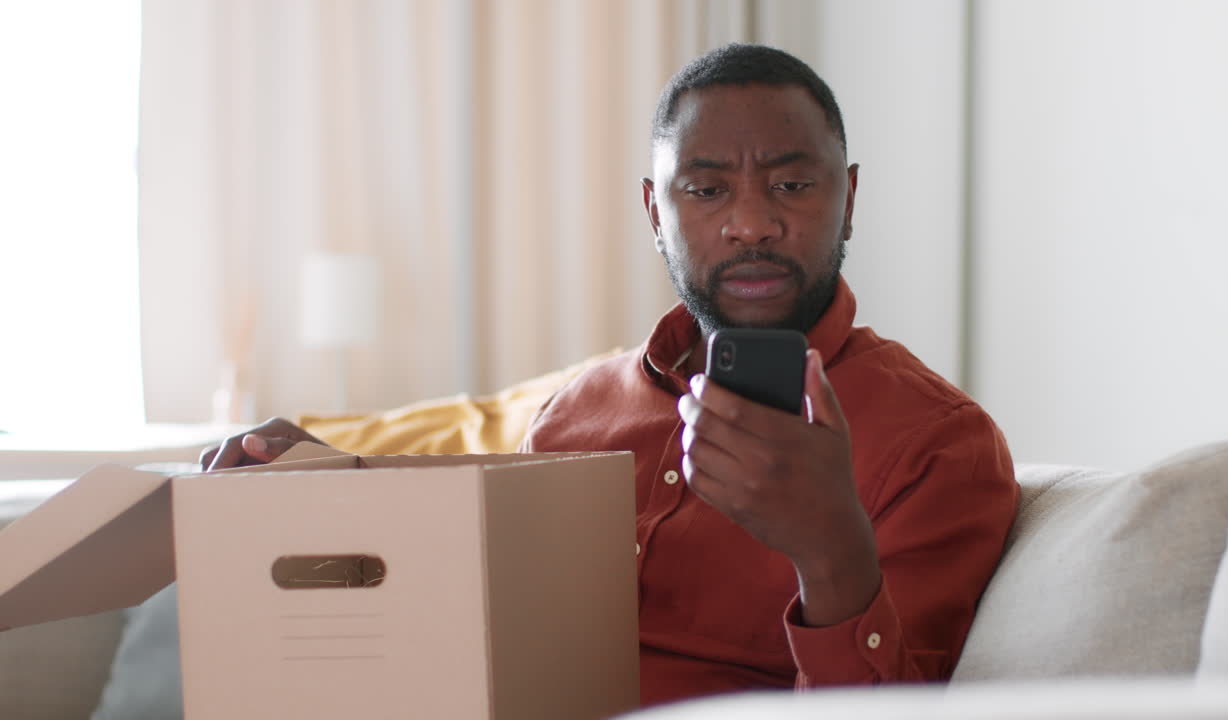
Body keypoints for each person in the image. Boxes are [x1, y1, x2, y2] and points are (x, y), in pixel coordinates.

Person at [205, 44, 1018, 708]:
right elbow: (470, 622)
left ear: (847, 200)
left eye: (793, 184)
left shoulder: (940, 446)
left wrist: (830, 549)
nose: (752, 223)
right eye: (705, 189)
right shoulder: (575, 412)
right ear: (654, 211)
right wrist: (329, 492)